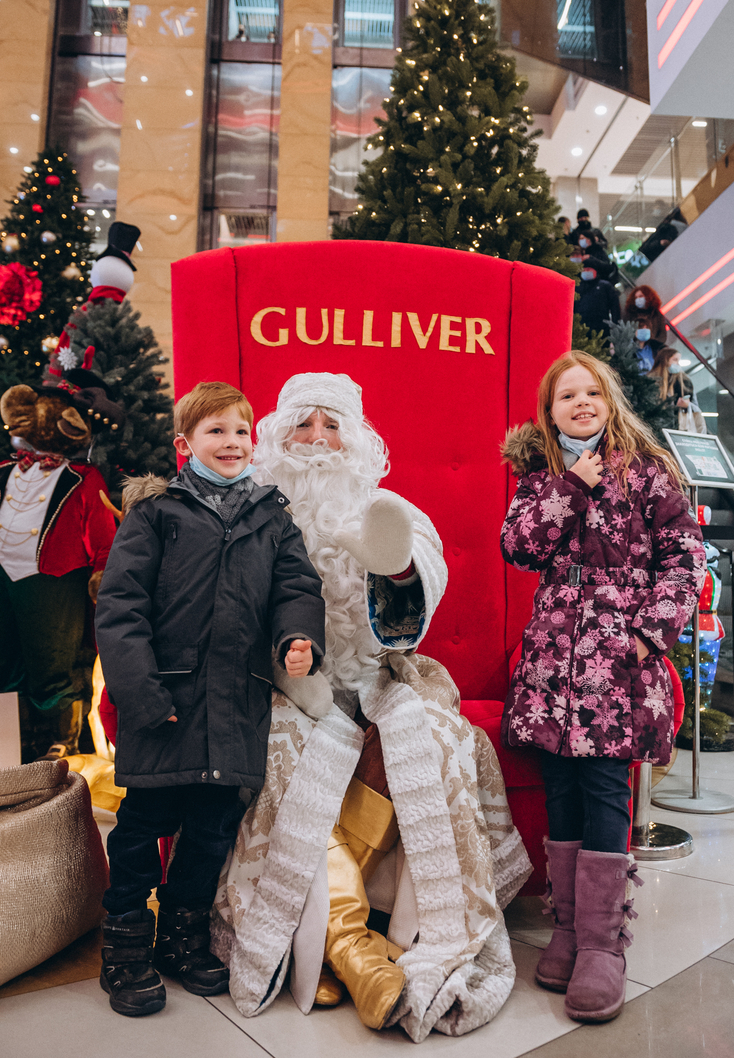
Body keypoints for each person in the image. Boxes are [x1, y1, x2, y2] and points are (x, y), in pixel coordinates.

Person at [211, 372, 531, 1043]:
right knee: (288, 757)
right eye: (305, 425)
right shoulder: (249, 509)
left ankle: (417, 930)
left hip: (380, 673)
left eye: (334, 427)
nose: (319, 440)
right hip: (282, 685)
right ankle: (348, 946)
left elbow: (429, 590)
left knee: (442, 741)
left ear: (356, 441)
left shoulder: (388, 506)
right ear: (279, 433)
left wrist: (400, 569)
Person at [94, 381, 326, 1018]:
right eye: (214, 431)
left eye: (240, 431)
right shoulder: (156, 515)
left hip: (234, 704)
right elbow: (120, 609)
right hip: (164, 701)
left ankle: (181, 933)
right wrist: (141, 696)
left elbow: (296, 588)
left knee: (210, 828)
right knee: (143, 829)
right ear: (184, 444)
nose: (230, 442)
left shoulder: (271, 519)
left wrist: (298, 636)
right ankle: (126, 945)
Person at [500, 351, 705, 1025]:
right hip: (554, 659)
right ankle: (566, 929)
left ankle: (602, 945)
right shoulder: (543, 479)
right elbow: (518, 545)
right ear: (549, 412)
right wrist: (572, 488)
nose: (581, 403)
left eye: (592, 392)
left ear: (609, 400)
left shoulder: (648, 472)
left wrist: (649, 634)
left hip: (617, 661)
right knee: (560, 784)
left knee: (603, 789)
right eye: (567, 397)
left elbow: (682, 557)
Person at [649, 347, 705, 433]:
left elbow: (695, 405)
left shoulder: (685, 381)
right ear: (665, 360)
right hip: (657, 427)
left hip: (680, 426)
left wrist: (687, 405)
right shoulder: (652, 380)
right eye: (675, 360)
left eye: (679, 360)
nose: (678, 363)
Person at [576, 260, 620, 341]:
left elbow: (615, 307)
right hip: (581, 332)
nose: (586, 271)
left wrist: (615, 325)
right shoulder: (578, 287)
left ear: (595, 270)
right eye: (584, 270)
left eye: (588, 269)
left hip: (602, 331)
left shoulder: (605, 286)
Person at [623, 285, 667, 352]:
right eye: (636, 297)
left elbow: (662, 335)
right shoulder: (629, 315)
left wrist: (653, 344)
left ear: (648, 297)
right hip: (633, 350)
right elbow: (624, 333)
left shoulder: (657, 314)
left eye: (640, 296)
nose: (638, 299)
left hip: (653, 350)